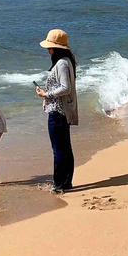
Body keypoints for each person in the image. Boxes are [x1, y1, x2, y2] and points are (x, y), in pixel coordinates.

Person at [32, 29, 79, 193]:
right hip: (61, 111)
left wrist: (46, 94)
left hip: (58, 112)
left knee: (59, 149)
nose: (47, 51)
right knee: (65, 148)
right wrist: (46, 98)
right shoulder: (66, 61)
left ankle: (59, 184)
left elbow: (65, 88)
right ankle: (65, 182)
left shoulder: (61, 63)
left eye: (49, 48)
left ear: (55, 49)